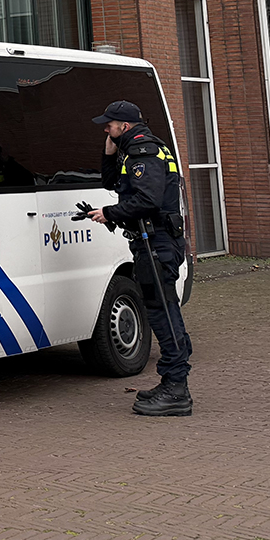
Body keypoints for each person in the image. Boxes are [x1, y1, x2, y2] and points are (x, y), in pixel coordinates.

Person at [86, 100, 193, 417]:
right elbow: (114, 184)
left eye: (110, 125)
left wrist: (110, 213)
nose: (106, 128)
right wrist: (108, 151)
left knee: (162, 312)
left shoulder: (143, 151)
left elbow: (146, 200)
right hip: (154, 241)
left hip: (156, 242)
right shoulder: (136, 149)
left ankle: (177, 389)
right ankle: (172, 382)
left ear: (126, 126)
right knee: (163, 308)